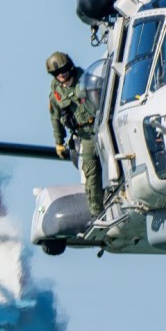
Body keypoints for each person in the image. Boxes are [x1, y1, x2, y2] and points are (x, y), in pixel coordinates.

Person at [46, 51, 103, 217]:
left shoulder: (86, 79)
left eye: (63, 70)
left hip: (101, 126)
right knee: (90, 171)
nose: (61, 75)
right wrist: (59, 142)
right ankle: (97, 213)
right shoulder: (55, 96)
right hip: (85, 134)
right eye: (57, 73)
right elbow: (55, 119)